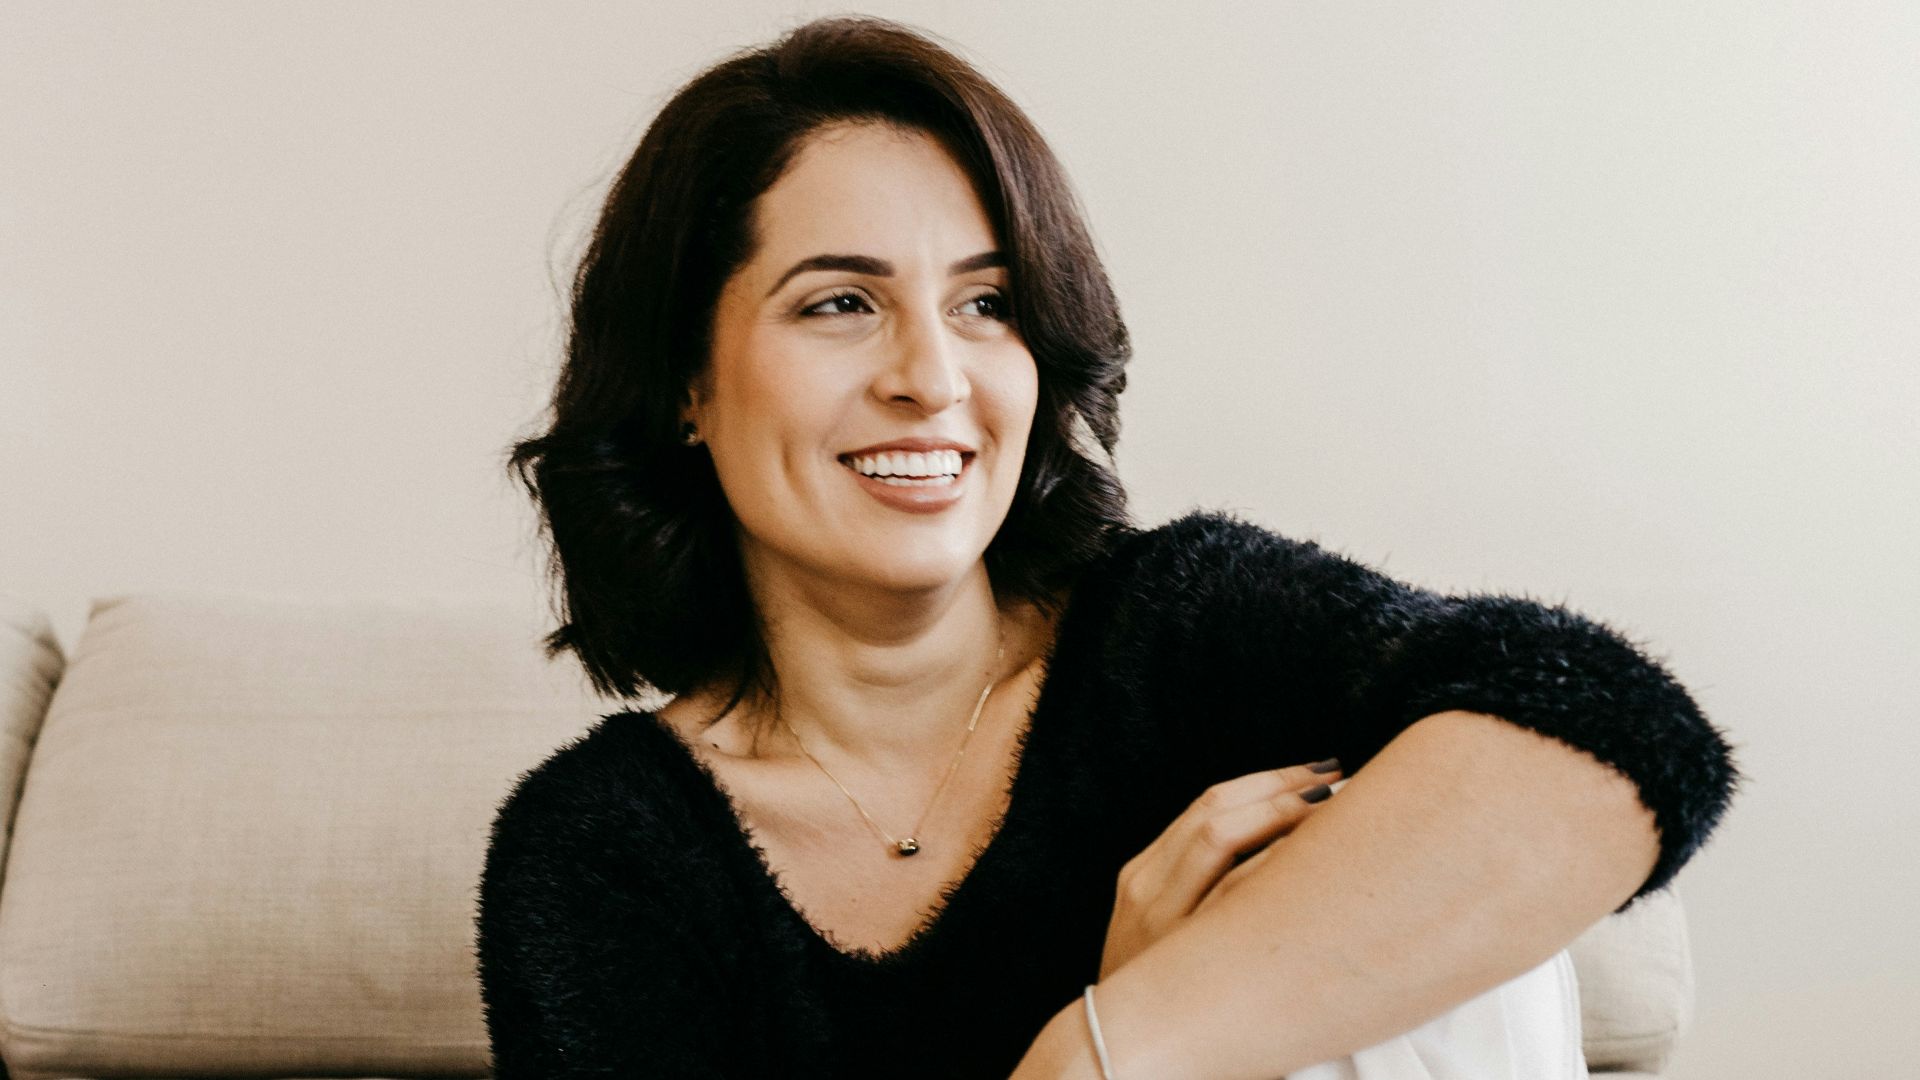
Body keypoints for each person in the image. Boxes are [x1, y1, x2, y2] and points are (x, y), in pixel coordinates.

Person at [476, 16, 1739, 1080]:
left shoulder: (1182, 632)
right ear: (686, 380)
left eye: (988, 305)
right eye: (841, 304)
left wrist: (1125, 1037)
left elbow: (1619, 737)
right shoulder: (606, 852)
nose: (934, 377)